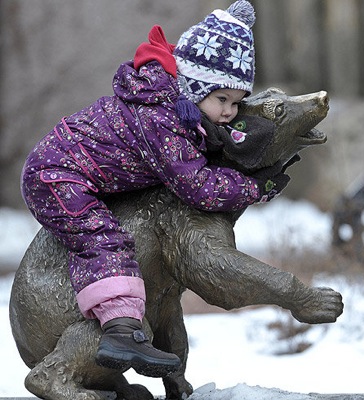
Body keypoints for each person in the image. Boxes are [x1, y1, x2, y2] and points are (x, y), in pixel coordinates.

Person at [20, 0, 287, 378]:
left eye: (236, 103)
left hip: (75, 169)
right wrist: (251, 187)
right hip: (56, 176)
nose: (229, 112)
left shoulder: (175, 108)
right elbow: (195, 185)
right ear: (193, 88)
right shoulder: (160, 118)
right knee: (102, 237)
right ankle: (120, 330)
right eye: (221, 99)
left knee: (109, 230)